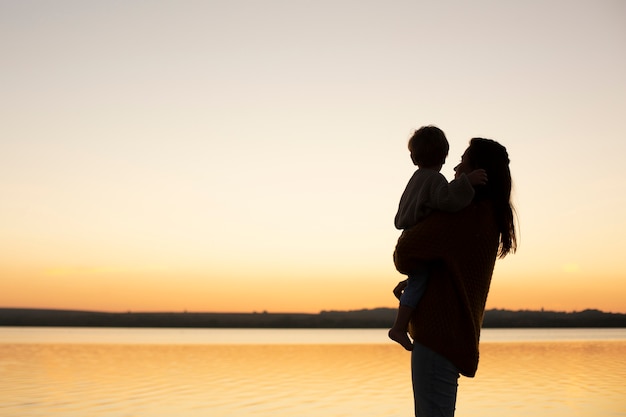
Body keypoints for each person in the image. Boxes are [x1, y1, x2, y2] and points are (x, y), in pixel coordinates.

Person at [393, 137, 517, 417]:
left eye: (462, 161)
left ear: (478, 171)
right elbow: (451, 266)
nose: (455, 169)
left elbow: (405, 252)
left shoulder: (466, 215)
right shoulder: (485, 216)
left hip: (438, 336)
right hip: (451, 336)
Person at [389, 126, 487, 351]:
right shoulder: (434, 179)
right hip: (418, 241)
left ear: (414, 157)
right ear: (444, 154)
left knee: (419, 280)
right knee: (419, 282)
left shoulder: (416, 178)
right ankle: (399, 327)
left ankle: (403, 301)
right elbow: (448, 201)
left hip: (411, 237)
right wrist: (468, 182)